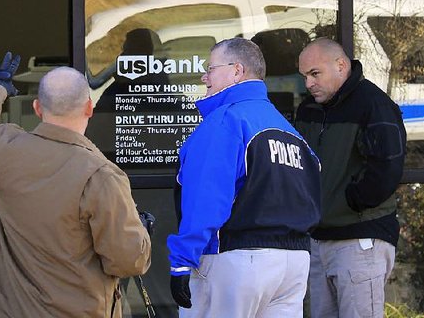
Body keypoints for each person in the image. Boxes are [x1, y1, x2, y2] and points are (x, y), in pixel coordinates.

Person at [0, 54, 152, 318]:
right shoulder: (101, 176)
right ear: (89, 108)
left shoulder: (3, 150)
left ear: (37, 108)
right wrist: (140, 231)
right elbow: (128, 261)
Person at [167, 37, 321, 317]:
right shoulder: (291, 132)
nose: (204, 77)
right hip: (295, 262)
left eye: (211, 68)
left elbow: (206, 196)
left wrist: (181, 260)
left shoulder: (226, 120)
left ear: (237, 71)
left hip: (237, 258)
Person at [295, 38, 407, 318]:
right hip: (318, 239)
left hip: (360, 239)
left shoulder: (374, 105)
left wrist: (351, 202)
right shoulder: (308, 109)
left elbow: (387, 168)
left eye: (315, 74)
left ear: (341, 65)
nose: (308, 83)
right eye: (305, 76)